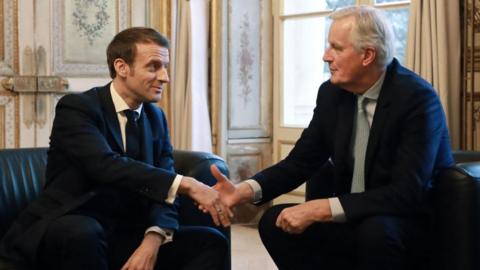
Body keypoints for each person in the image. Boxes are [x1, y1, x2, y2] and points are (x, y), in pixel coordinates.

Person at [212, 5, 454, 270]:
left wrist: (321, 208)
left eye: (336, 48)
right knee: (275, 221)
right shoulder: (332, 94)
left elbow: (406, 193)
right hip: (354, 216)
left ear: (367, 55)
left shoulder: (416, 99)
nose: (326, 56)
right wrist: (243, 191)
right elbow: (300, 162)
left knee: (375, 232)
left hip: (405, 221)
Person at [0, 27, 230, 270]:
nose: (165, 77)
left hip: (124, 230)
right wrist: (187, 184)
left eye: (165, 67)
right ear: (122, 67)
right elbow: (105, 165)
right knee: (84, 232)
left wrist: (153, 239)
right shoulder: (78, 108)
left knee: (210, 242)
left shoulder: (156, 117)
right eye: (153, 66)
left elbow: (164, 190)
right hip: (72, 222)